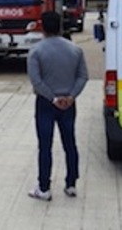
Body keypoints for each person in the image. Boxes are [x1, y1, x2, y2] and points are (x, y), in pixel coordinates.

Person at [26, 11, 88, 201]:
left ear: (42, 27)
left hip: (46, 103)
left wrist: (53, 98)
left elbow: (36, 81)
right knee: (70, 142)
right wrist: (71, 96)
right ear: (60, 26)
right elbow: (83, 76)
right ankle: (71, 184)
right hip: (69, 104)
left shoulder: (36, 51)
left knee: (45, 145)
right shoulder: (75, 50)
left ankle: (44, 187)